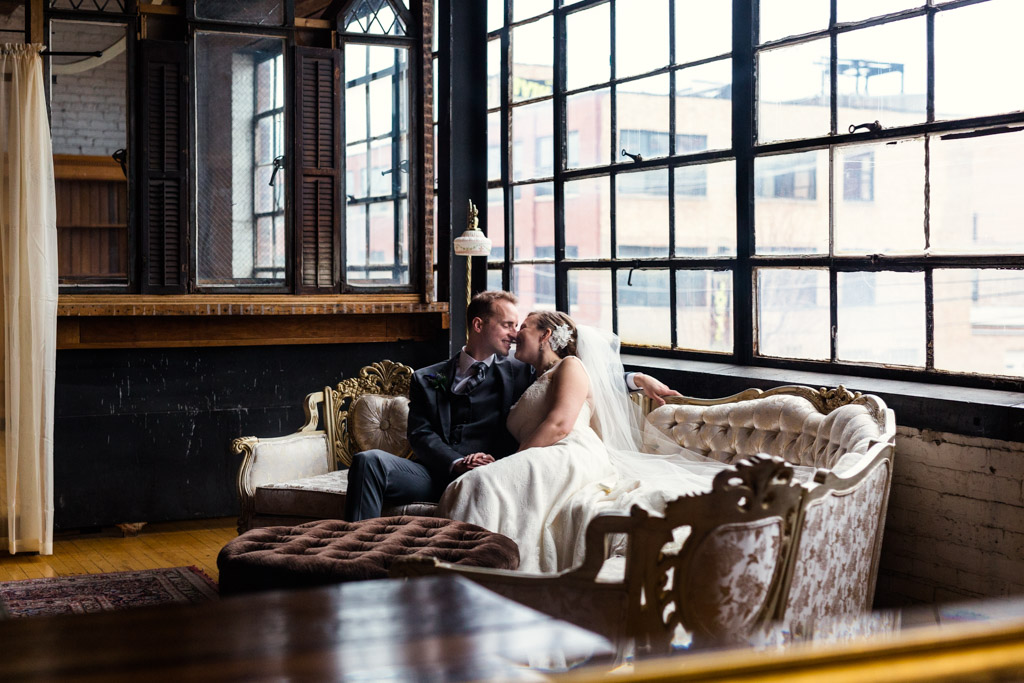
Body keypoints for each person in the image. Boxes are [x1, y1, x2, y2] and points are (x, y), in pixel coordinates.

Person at [439, 310, 736, 573]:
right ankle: (478, 570)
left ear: (546, 334)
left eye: (525, 326)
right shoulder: (526, 377)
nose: (516, 334)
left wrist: (511, 463)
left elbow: (559, 425)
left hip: (571, 452)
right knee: (473, 483)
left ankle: (470, 575)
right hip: (546, 455)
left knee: (479, 483)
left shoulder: (570, 365)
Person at [344, 291, 679, 522]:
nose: (515, 334)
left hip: (497, 470)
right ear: (479, 325)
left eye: (519, 326)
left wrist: (635, 378)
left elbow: (576, 379)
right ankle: (355, 551)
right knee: (368, 462)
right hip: (437, 473)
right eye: (507, 325)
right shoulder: (426, 378)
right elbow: (420, 435)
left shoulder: (522, 370)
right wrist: (458, 461)